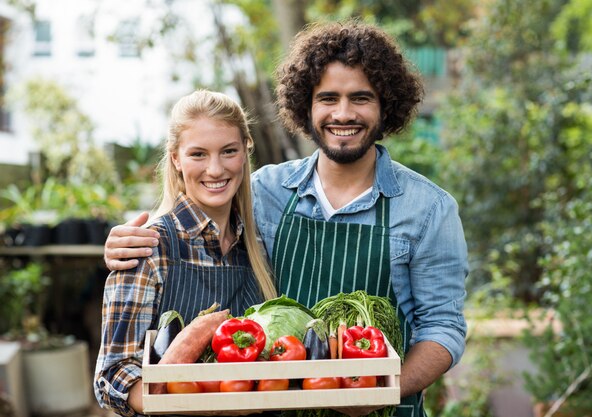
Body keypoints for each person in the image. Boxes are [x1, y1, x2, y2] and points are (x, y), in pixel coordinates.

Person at [104, 21, 468, 417]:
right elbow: (197, 224)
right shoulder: (265, 192)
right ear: (306, 106)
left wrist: (382, 389)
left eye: (361, 98)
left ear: (386, 105)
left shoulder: (428, 208)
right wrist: (125, 244)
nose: (343, 114)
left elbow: (442, 328)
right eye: (328, 98)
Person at [94, 90, 277, 417]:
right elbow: (112, 376)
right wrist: (204, 407)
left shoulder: (254, 246)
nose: (216, 169)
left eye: (229, 151)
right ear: (176, 158)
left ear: (245, 150)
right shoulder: (149, 248)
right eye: (198, 154)